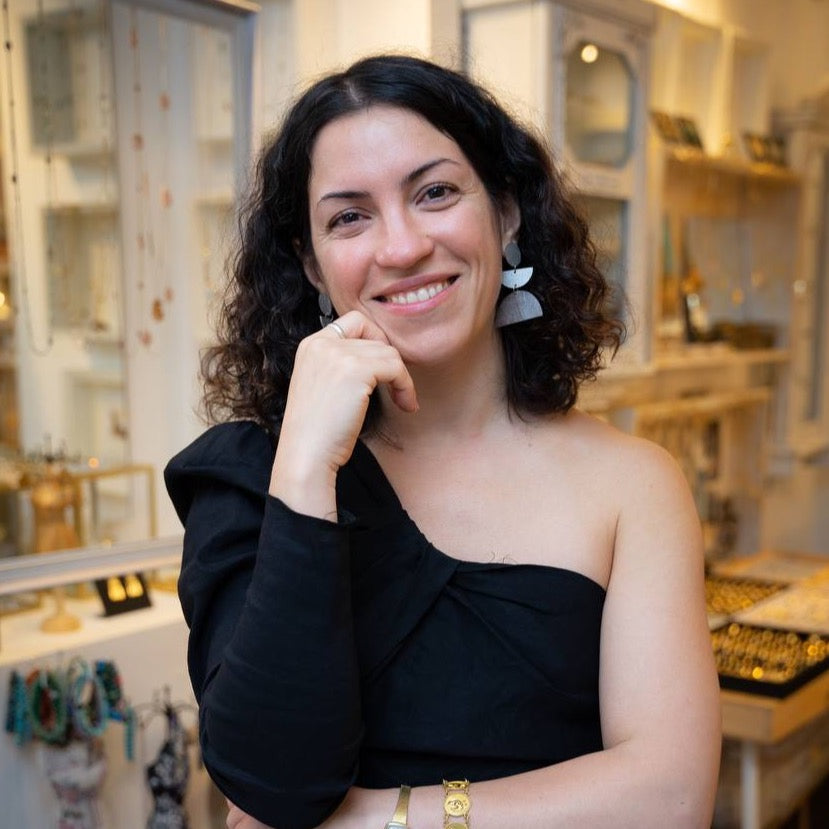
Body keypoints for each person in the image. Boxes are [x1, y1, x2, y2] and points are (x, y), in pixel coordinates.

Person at [165, 54, 721, 829]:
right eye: (349, 217)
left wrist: (376, 819)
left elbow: (669, 798)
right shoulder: (250, 475)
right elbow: (272, 783)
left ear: (505, 211)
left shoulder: (633, 485)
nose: (400, 247)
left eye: (434, 193)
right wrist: (303, 469)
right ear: (310, 264)